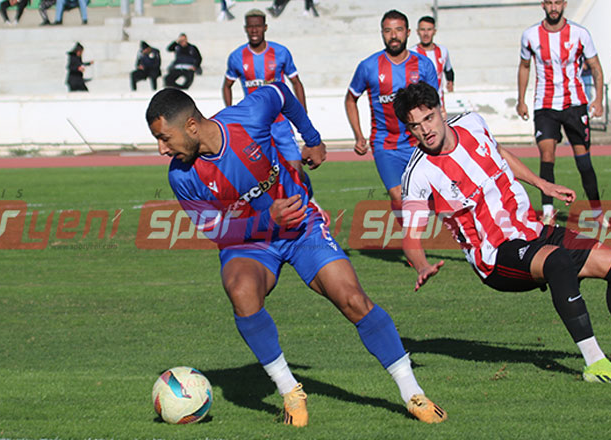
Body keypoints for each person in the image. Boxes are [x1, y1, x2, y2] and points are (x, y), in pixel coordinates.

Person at [144, 83, 448, 426]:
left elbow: (280, 93)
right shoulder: (182, 176)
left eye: (164, 138)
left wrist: (313, 138)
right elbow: (214, 231)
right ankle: (290, 391)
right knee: (242, 292)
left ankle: (412, 393)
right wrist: (265, 219)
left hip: (300, 226)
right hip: (250, 242)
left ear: (192, 126)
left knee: (351, 297)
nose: (161, 149)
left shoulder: (247, 117)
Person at [394, 81, 611, 385]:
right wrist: (422, 265)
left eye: (428, 118)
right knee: (558, 262)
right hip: (495, 256)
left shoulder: (472, 123)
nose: (425, 130)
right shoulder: (418, 174)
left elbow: (500, 153)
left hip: (533, 231)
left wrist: (542, 184)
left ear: (441, 110)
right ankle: (595, 363)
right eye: (415, 126)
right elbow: (410, 236)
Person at [517, 0, 605, 226]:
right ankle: (548, 211)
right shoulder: (530, 36)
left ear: (565, 4)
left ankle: (597, 211)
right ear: (543, 5)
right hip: (545, 106)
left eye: (557, 2)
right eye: (549, 3)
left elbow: (595, 66)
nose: (553, 7)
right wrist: (521, 100)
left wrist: (598, 99)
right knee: (547, 156)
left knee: (583, 161)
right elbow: (524, 66)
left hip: (575, 105)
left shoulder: (579, 34)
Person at [345, 9, 438, 212]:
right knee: (398, 198)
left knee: (432, 199)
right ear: (382, 33)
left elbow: (435, 105)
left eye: (398, 30)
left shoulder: (423, 65)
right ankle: (411, 242)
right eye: (388, 30)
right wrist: (359, 135)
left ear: (408, 32)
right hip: (386, 144)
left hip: (420, 143)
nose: (393, 35)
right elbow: (351, 99)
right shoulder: (368, 66)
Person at [223, 8, 307, 171]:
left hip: (280, 121)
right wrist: (231, 113)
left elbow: (296, 82)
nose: (254, 30)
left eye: (258, 26)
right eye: (250, 27)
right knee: (259, 173)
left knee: (295, 168)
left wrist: (302, 113)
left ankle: (307, 194)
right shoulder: (236, 57)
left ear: (265, 27)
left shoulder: (281, 52)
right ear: (245, 28)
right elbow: (227, 86)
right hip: (254, 124)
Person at [410, 16, 454, 99]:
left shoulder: (443, 51)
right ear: (417, 31)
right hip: (419, 103)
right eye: (423, 30)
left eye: (429, 29)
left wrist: (450, 82)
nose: (426, 34)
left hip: (438, 103)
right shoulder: (411, 53)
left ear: (434, 31)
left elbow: (448, 70)